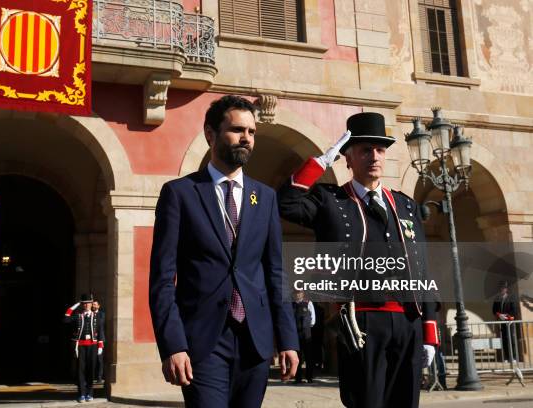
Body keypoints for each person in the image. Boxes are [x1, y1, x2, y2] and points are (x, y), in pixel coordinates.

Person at [278, 112, 439, 408]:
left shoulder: (405, 205)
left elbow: (423, 268)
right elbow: (286, 202)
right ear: (348, 157)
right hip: (360, 322)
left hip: (407, 321)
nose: (374, 156)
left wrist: (429, 330)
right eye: (365, 150)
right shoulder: (330, 201)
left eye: (379, 150)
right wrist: (323, 161)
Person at [149, 95, 299, 408]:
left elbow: (275, 272)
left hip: (255, 342)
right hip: (202, 342)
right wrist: (172, 345)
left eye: (252, 132)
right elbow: (162, 279)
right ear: (210, 134)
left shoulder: (266, 197)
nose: (246, 138)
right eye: (237, 130)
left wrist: (288, 340)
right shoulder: (180, 194)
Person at [64, 294, 105, 403]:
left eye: (88, 303)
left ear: (92, 304)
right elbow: (66, 318)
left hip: (93, 345)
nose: (87, 305)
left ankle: (90, 393)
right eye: (84, 303)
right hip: (80, 346)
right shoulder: (78, 315)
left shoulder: (97, 316)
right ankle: (81, 394)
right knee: (80, 370)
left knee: (91, 370)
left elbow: (100, 331)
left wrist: (100, 346)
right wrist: (75, 305)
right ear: (82, 305)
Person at [292, 290, 315, 384]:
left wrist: (309, 326)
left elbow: (313, 318)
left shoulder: (308, 302)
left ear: (303, 293)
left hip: (306, 333)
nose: (298, 294)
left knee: (309, 356)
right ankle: (298, 378)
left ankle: (309, 377)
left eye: (300, 292)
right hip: (296, 334)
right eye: (296, 292)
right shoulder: (291, 304)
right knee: (298, 356)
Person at [492, 282, 517, 362]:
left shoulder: (511, 298)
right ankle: (506, 357)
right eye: (501, 288)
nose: (502, 289)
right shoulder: (497, 299)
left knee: (512, 340)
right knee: (504, 340)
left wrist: (507, 316)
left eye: (504, 288)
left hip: (509, 322)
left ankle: (513, 357)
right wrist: (499, 315)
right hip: (502, 322)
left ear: (506, 289)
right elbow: (494, 310)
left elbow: (514, 310)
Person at [91, 299, 105, 383]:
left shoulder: (101, 314)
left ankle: (99, 377)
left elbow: (101, 324)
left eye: (95, 304)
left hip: (100, 340)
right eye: (93, 305)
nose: (94, 306)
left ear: (98, 306)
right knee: (92, 359)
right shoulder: (90, 314)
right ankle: (92, 376)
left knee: (99, 360)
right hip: (92, 340)